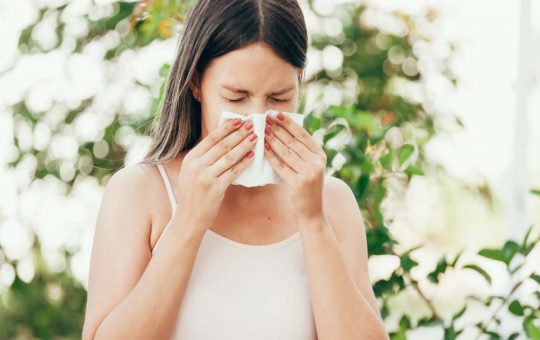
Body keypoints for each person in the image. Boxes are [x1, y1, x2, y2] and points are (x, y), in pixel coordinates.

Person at [82, 0, 387, 339]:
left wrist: (314, 223)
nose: (257, 118)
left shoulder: (332, 202)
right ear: (196, 83)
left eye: (279, 98)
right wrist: (188, 221)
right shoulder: (140, 193)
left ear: (299, 81)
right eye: (236, 98)